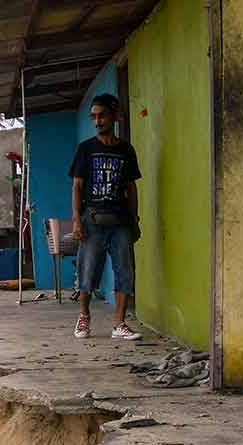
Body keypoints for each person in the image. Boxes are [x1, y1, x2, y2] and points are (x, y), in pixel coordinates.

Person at [69, 93, 143, 341]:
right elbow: (77, 186)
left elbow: (131, 187)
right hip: (92, 220)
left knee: (125, 271)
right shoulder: (86, 149)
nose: (97, 121)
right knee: (87, 272)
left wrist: (135, 219)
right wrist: (76, 220)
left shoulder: (126, 150)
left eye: (102, 115)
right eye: (94, 116)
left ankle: (119, 323)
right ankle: (84, 316)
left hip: (120, 221)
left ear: (115, 116)